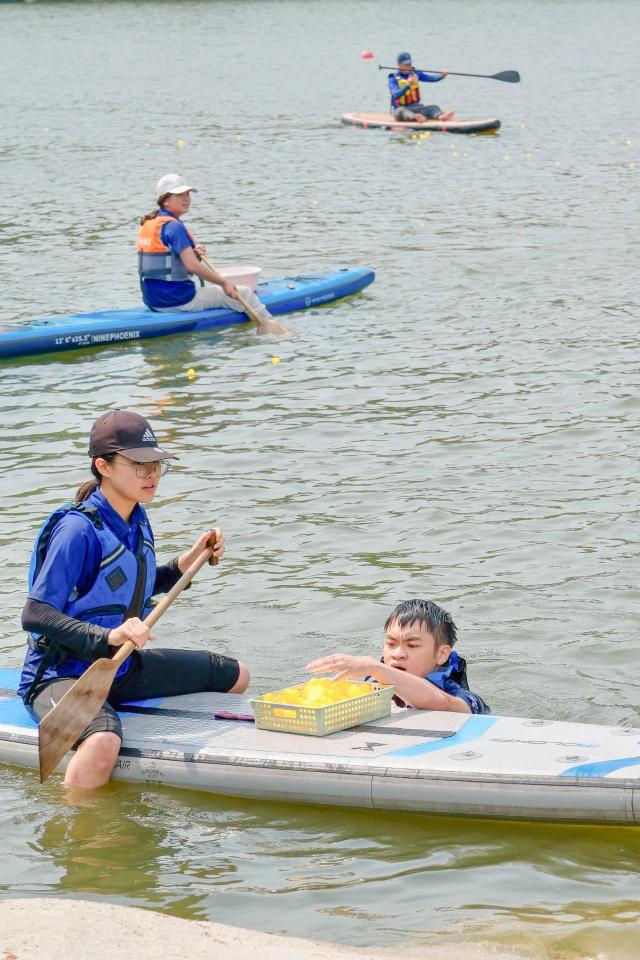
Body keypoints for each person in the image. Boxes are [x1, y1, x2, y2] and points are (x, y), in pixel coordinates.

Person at [18, 409, 250, 789]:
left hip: (120, 668)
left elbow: (133, 584)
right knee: (104, 741)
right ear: (103, 466)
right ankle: (72, 821)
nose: (151, 474)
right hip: (61, 676)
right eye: (139, 465)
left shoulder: (135, 519)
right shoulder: (77, 530)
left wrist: (188, 561)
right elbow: (35, 613)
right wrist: (107, 637)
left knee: (236, 675)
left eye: (156, 464)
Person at [137, 173, 286, 335]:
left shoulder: (149, 224)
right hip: (179, 300)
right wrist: (224, 283)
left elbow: (169, 263)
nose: (186, 199)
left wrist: (193, 253)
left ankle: (242, 335)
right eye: (179, 195)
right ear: (165, 200)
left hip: (153, 301)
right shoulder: (175, 227)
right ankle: (274, 332)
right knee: (244, 293)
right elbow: (193, 266)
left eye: (187, 194)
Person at [307, 598, 489, 714]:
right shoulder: (371, 686)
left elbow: (442, 704)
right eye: (391, 644)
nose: (397, 654)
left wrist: (374, 667)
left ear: (441, 654)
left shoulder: (463, 699)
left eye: (412, 645)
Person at [388, 52, 455, 123]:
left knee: (434, 108)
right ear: (399, 65)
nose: (409, 66)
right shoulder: (393, 79)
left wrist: (441, 76)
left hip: (417, 107)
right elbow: (395, 94)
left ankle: (440, 116)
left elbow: (431, 78)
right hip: (400, 109)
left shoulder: (415, 74)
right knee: (403, 112)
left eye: (410, 64)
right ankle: (416, 117)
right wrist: (408, 85)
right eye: (406, 64)